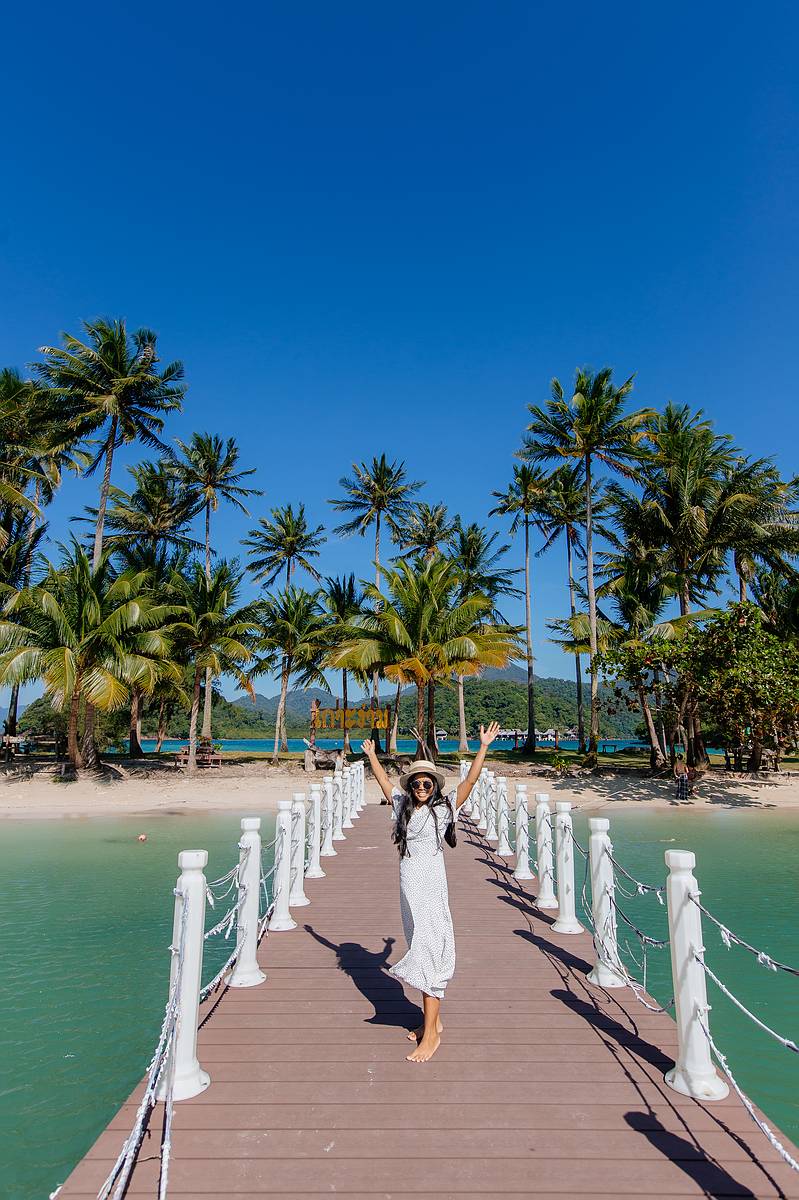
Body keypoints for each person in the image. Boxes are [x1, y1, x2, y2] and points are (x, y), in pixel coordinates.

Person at [361, 721, 500, 1064]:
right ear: (411, 786)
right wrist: (372, 756)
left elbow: (469, 781)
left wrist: (483, 747)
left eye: (427, 783)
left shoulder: (443, 809)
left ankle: (432, 1035)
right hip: (408, 889)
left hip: (431, 890)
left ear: (434, 786)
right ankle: (431, 1023)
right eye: (417, 783)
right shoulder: (402, 807)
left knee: (427, 954)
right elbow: (383, 782)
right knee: (418, 947)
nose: (422, 786)